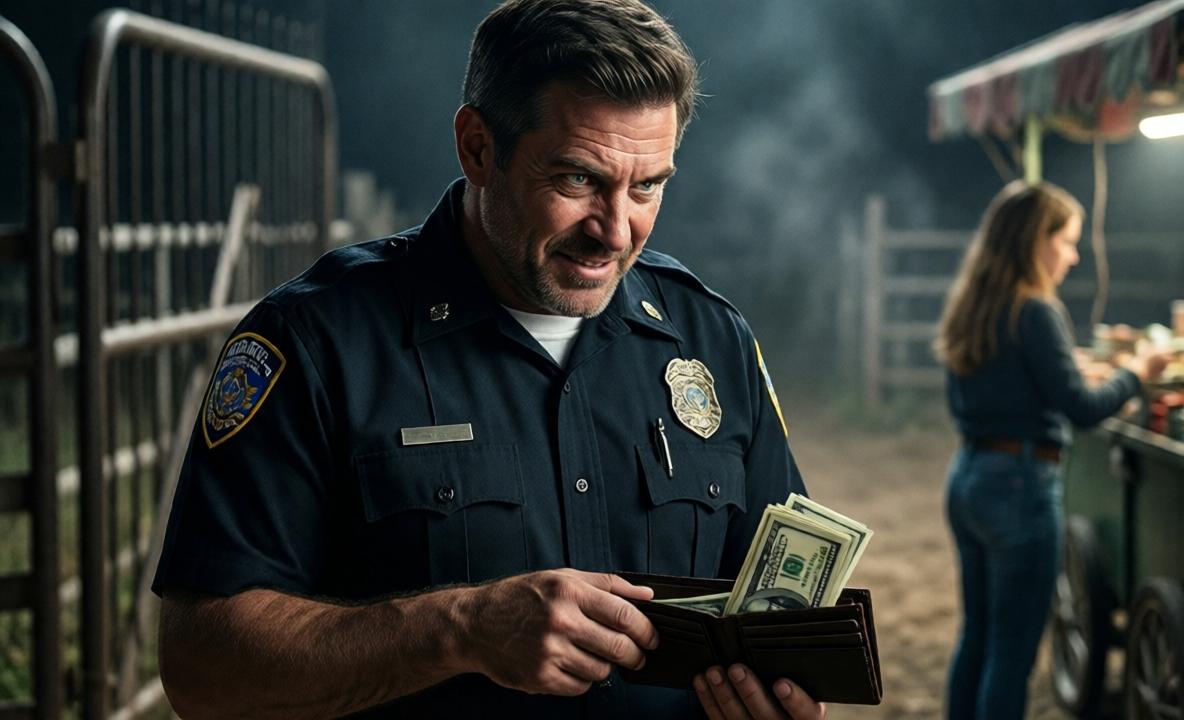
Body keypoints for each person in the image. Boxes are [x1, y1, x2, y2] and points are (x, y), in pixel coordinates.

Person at [152, 1, 824, 718]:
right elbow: (200, 666)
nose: (615, 230)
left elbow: (794, 625)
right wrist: (459, 629)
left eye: (648, 185)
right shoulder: (315, 344)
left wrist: (788, 697)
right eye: (577, 179)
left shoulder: (711, 337)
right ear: (477, 147)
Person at [935, 180, 1166, 720]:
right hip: (1020, 486)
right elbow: (1082, 409)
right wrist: (1137, 373)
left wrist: (1075, 374)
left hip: (969, 476)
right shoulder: (1036, 309)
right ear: (1035, 241)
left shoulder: (974, 304)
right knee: (1011, 655)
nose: (1074, 254)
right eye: (1066, 240)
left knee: (977, 635)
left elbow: (1006, 382)